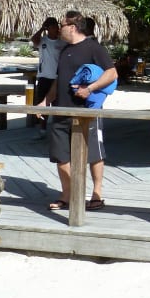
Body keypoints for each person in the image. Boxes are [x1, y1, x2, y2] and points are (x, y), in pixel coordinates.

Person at [42, 16, 117, 211]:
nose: (59, 29)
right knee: (61, 155)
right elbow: (59, 80)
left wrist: (90, 89)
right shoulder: (65, 50)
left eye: (62, 25)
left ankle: (97, 194)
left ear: (72, 27)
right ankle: (68, 195)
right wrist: (45, 100)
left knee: (94, 153)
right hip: (61, 109)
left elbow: (112, 73)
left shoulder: (94, 48)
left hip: (87, 111)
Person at [30, 17, 67, 138]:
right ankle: (42, 129)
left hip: (57, 78)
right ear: (48, 28)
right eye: (52, 26)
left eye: (56, 26)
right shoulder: (42, 41)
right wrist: (42, 28)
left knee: (57, 104)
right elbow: (33, 40)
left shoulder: (62, 42)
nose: (56, 28)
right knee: (42, 103)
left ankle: (57, 129)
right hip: (43, 77)